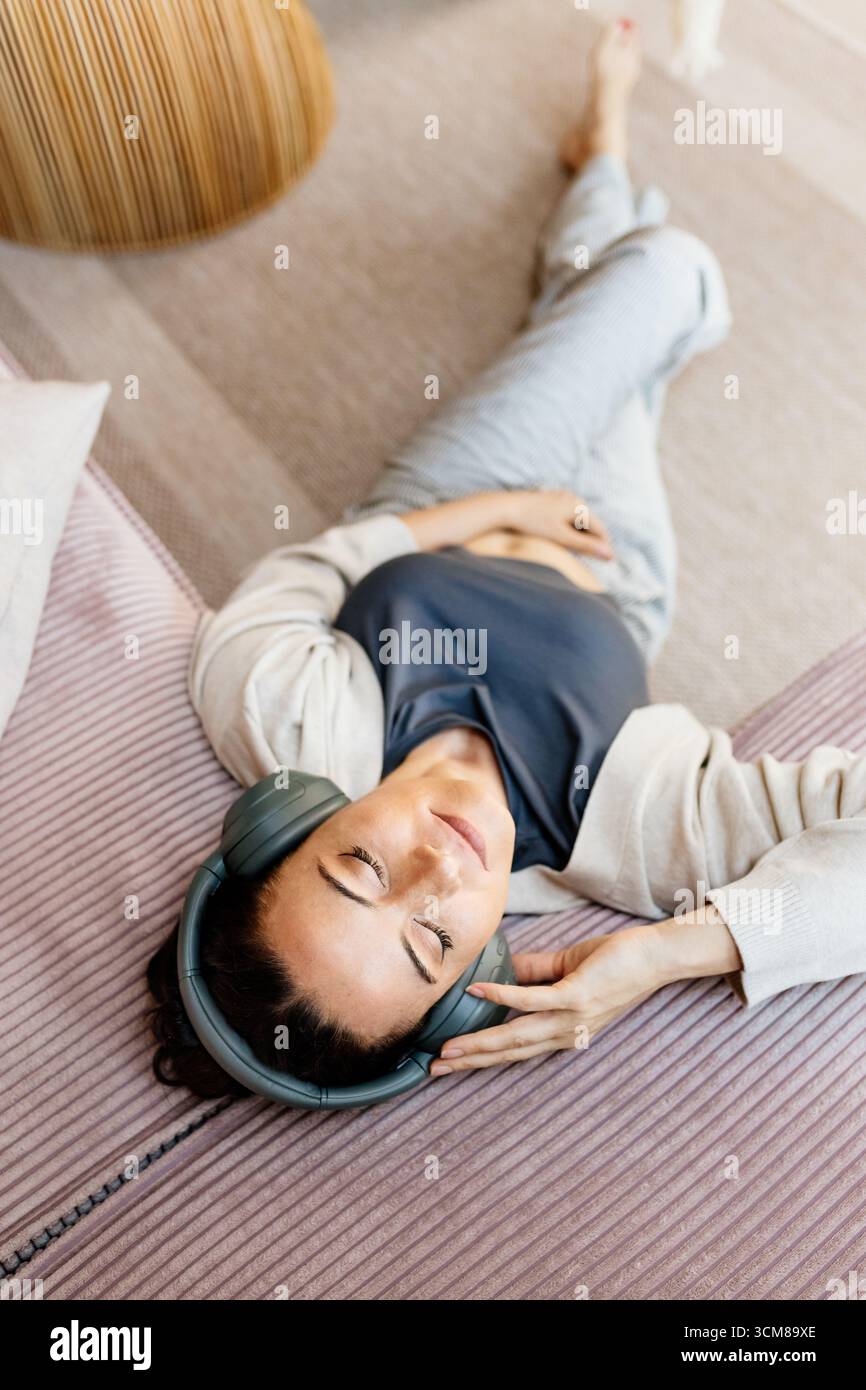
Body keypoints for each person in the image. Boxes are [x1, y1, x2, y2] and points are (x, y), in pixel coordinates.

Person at [147, 20, 866, 1099]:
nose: (437, 868)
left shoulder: (284, 716)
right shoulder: (640, 836)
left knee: (664, 277)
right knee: (635, 307)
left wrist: (484, 514)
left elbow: (298, 581)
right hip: (615, 568)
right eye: (432, 940)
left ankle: (602, 201)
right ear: (476, 971)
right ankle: (603, 170)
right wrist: (673, 949)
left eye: (359, 867)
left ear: (290, 821)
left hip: (449, 502)